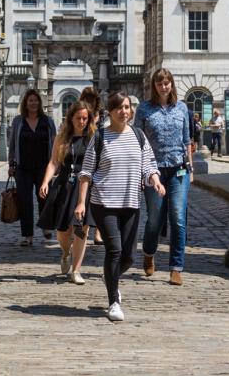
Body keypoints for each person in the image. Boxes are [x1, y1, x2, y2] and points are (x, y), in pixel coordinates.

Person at [76, 92, 165, 322]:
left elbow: (149, 165)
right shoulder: (100, 137)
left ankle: (111, 276)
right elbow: (86, 173)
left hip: (130, 203)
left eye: (127, 107)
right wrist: (80, 204)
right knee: (113, 250)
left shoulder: (138, 136)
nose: (124, 112)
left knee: (128, 258)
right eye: (119, 108)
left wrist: (155, 180)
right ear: (110, 111)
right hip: (104, 203)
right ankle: (113, 301)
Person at [135, 69, 193, 285]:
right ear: (154, 86)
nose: (163, 87)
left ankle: (176, 267)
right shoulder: (144, 109)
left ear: (172, 85)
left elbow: (187, 140)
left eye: (167, 83)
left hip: (179, 170)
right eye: (160, 83)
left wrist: (191, 169)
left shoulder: (182, 108)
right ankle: (149, 252)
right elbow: (138, 142)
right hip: (154, 171)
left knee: (178, 218)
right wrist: (141, 173)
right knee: (154, 220)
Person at [37, 101, 96, 284]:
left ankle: (76, 270)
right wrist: (46, 181)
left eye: (85, 118)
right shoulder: (62, 137)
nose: (82, 121)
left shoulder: (94, 137)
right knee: (63, 231)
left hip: (84, 186)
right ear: (70, 118)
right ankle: (65, 252)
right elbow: (53, 162)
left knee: (81, 228)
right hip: (65, 184)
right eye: (78, 118)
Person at [7, 88, 57, 245]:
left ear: (39, 103)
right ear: (26, 103)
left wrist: (56, 163)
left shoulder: (48, 121)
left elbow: (55, 143)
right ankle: (27, 236)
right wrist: (11, 164)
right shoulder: (18, 121)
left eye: (36, 100)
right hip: (23, 168)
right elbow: (13, 144)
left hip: (44, 168)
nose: (33, 103)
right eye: (30, 101)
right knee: (24, 202)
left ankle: (45, 226)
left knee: (44, 198)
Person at [78, 86, 105, 246]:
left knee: (99, 200)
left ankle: (98, 233)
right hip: (82, 159)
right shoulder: (80, 114)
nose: (89, 103)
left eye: (91, 100)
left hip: (99, 161)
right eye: (86, 99)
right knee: (82, 200)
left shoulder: (102, 117)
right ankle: (81, 232)